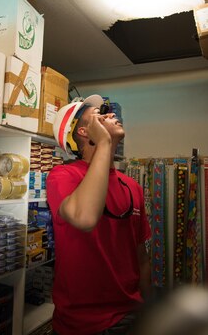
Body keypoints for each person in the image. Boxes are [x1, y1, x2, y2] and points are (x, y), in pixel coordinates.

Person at [46, 95, 152, 335]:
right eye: (101, 115)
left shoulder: (131, 186)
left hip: (130, 316)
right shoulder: (62, 176)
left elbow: (140, 256)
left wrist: (148, 307)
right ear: (85, 131)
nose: (112, 115)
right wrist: (103, 143)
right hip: (80, 323)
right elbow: (84, 218)